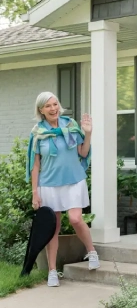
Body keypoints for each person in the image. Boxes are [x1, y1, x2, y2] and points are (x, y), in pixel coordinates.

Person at [26, 91, 100, 287]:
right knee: (53, 228)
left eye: (55, 104)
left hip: (73, 181)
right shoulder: (37, 133)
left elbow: (83, 152)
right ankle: (52, 271)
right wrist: (35, 193)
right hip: (48, 185)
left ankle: (91, 251)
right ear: (41, 110)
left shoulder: (70, 126)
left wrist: (88, 133)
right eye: (48, 106)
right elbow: (35, 166)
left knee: (76, 218)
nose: (53, 108)